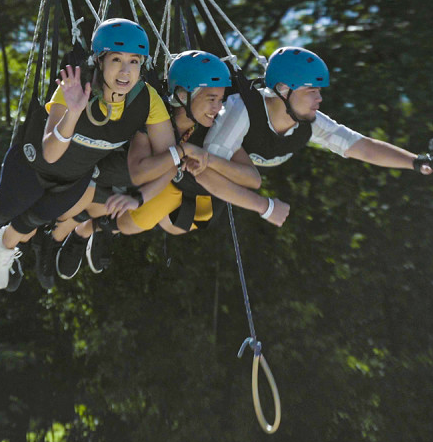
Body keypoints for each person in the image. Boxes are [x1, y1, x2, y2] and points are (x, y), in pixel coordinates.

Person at [0, 18, 175, 298]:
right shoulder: (75, 85)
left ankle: (4, 249)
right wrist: (73, 112)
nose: (125, 71)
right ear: (100, 60)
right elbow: (50, 152)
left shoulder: (147, 100)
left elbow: (168, 159)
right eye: (117, 59)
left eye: (134, 61)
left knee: (35, 219)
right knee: (3, 208)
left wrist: (144, 194)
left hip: (74, 178)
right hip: (35, 164)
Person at [49, 50, 292, 280]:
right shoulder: (155, 115)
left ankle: (91, 229)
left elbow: (253, 179)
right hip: (141, 181)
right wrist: (181, 154)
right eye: (211, 99)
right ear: (184, 96)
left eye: (221, 100)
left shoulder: (216, 127)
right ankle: (83, 231)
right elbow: (140, 171)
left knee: (181, 221)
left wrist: (210, 159)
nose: (219, 108)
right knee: (135, 220)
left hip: (189, 192)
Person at [202, 45, 433, 190]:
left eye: (319, 91)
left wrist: (418, 162)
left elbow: (362, 147)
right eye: (312, 90)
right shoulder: (241, 110)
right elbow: (208, 163)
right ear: (283, 89)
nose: (320, 99)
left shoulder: (308, 122)